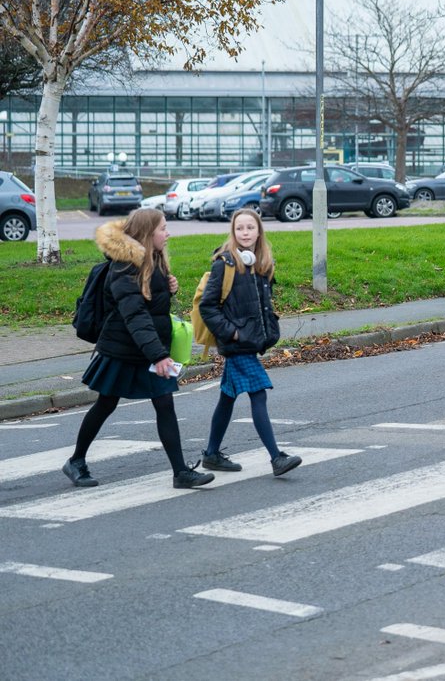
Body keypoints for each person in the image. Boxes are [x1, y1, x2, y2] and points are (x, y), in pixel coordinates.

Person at [64, 210, 215, 489]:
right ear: (147, 234)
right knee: (106, 404)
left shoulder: (152, 259)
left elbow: (150, 305)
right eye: (163, 229)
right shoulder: (124, 267)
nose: (167, 233)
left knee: (164, 404)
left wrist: (169, 290)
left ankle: (180, 472)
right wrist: (158, 355)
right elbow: (135, 315)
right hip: (123, 349)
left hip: (147, 348)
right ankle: (76, 460)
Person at [198, 208, 301, 477]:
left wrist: (268, 330)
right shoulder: (225, 263)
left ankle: (211, 454)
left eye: (250, 228)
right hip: (237, 343)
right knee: (259, 393)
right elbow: (208, 307)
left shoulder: (261, 263)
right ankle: (276, 457)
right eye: (239, 228)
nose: (245, 233)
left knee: (227, 398)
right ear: (233, 232)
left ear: (259, 231)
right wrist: (232, 333)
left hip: (250, 341)